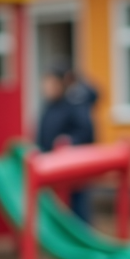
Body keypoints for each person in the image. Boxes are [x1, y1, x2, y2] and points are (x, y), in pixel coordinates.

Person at [38, 65, 95, 221]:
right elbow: (42, 134)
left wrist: (69, 140)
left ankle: (83, 235)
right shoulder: (48, 107)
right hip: (51, 164)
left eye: (50, 84)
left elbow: (86, 132)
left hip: (73, 167)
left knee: (77, 205)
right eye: (45, 84)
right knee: (56, 206)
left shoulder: (74, 104)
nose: (46, 88)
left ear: (60, 84)